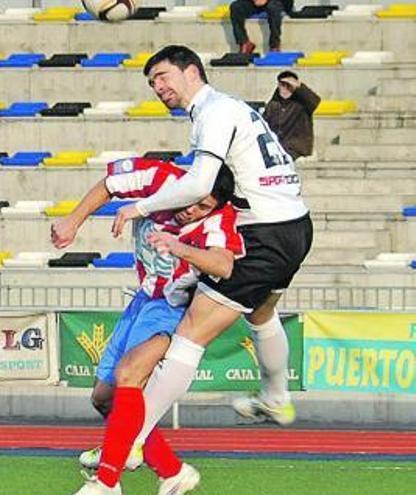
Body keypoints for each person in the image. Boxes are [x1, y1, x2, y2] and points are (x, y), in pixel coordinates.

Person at [96, 44, 311, 472]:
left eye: (163, 76)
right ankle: (276, 398)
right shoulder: (233, 110)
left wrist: (137, 207)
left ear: (192, 71)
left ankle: (133, 440)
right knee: (263, 313)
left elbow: (198, 185)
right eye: (152, 82)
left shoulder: (213, 112)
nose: (158, 87)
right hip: (296, 225)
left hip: (265, 232)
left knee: (190, 335)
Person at [54, 159, 243, 495]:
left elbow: (223, 264)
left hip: (174, 310)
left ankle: (107, 483)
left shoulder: (218, 219)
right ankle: (172, 472)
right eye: (193, 200)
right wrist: (72, 222)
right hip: (141, 301)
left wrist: (179, 246)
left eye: (204, 207)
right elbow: (109, 185)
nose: (192, 211)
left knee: (130, 374)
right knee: (104, 398)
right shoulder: (160, 178)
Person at [262, 71, 321, 161]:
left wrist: (299, 86)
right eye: (282, 85)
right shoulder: (272, 105)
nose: (285, 89)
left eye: (289, 86)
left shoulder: (302, 104)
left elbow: (315, 101)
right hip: (277, 147)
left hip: (296, 149)